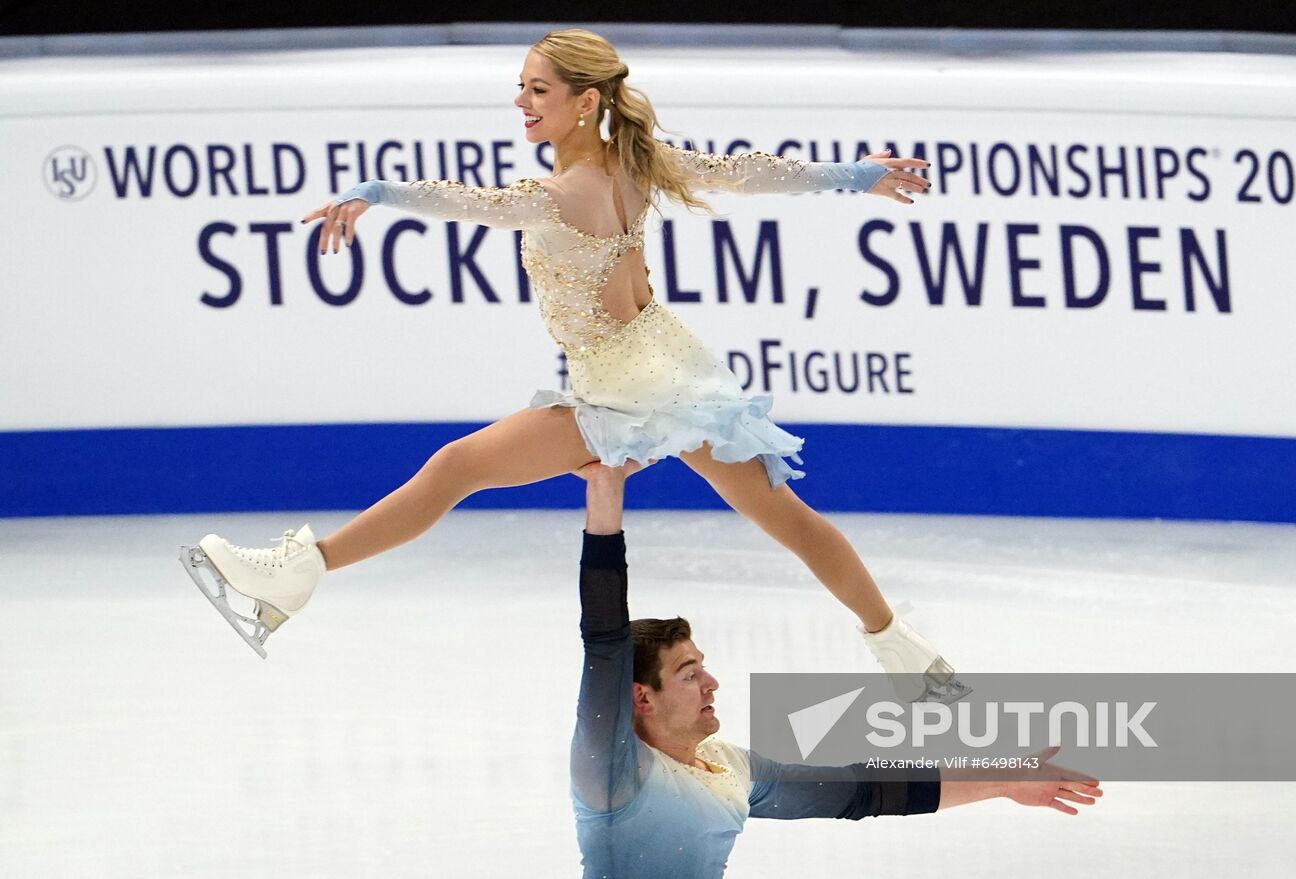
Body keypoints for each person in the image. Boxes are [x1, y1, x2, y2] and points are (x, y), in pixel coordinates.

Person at [179, 28, 962, 699]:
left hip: (626, 386)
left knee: (458, 467)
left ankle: (299, 572)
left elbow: (466, 203)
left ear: (586, 100)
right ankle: (903, 651)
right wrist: (855, 176)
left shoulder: (560, 194)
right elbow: (744, 170)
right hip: (664, 365)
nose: (524, 103)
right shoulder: (639, 160)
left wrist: (377, 191)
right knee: (783, 517)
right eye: (519, 88)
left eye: (540, 90)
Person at [570, 461, 1103, 878]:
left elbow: (864, 789)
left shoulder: (728, 768)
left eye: (703, 668)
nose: (711, 683)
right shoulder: (613, 768)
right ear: (641, 698)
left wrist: (1002, 778)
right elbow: (605, 640)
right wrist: (606, 491)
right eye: (689, 674)